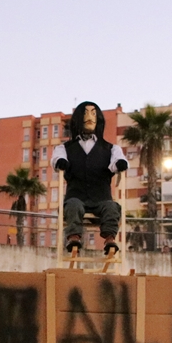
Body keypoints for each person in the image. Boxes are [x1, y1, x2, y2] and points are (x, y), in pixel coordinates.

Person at [51, 101, 128, 254]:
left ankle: (110, 239)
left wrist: (119, 164)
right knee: (72, 205)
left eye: (93, 113)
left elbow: (119, 160)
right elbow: (56, 158)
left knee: (112, 207)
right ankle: (73, 237)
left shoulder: (111, 148)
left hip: (101, 198)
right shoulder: (64, 148)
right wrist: (61, 162)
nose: (89, 117)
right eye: (85, 113)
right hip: (76, 196)